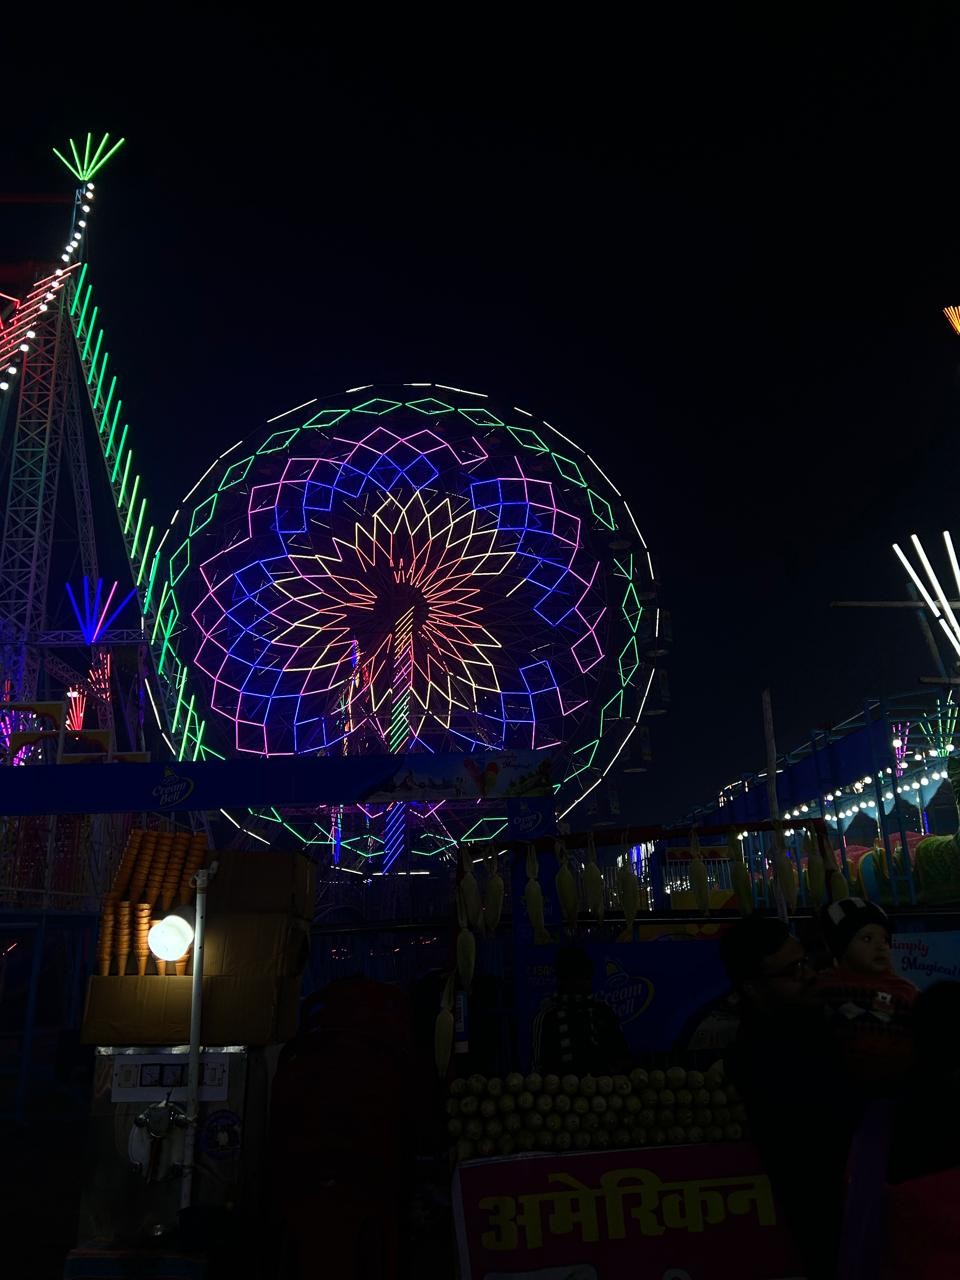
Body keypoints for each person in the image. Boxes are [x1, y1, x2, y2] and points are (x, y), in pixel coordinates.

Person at [720, 915, 858, 1280]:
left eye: (806, 962)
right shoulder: (761, 1058)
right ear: (752, 988)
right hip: (832, 1223)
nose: (808, 974)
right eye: (792, 970)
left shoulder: (821, 1020)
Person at [817, 898, 918, 1093]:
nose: (881, 946)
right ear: (842, 948)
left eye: (885, 939)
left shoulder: (904, 991)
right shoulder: (824, 985)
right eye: (867, 939)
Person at [531, 946, 629, 1076]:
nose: (586, 983)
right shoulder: (547, 1017)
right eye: (579, 977)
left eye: (587, 977)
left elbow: (621, 1056)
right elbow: (539, 1068)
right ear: (563, 980)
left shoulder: (603, 1012)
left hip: (603, 1086)